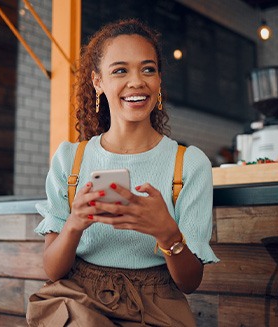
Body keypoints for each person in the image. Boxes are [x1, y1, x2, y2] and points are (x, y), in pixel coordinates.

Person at [26, 18, 219, 327]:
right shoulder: (70, 160)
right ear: (98, 82)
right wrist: (74, 224)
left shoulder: (189, 164)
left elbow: (189, 283)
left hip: (159, 306)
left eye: (148, 69)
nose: (136, 82)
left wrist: (167, 233)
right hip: (80, 301)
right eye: (120, 70)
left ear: (158, 81)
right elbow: (52, 269)